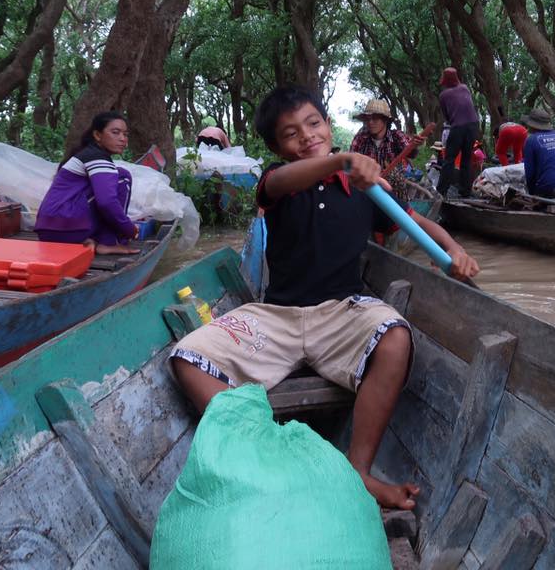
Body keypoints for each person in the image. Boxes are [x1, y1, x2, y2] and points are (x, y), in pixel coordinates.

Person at [168, 86, 480, 510]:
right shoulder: (277, 181)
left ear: (328, 124)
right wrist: (343, 160)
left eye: (314, 123)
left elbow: (416, 224)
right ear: (277, 146)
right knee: (188, 357)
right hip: (275, 315)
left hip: (342, 313)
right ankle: (265, 458)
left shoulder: (366, 192)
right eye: (291, 133)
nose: (307, 136)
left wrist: (454, 254)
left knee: (394, 336)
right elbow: (282, 180)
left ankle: (358, 471)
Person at [35, 111, 139, 255]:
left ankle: (93, 241)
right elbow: (107, 202)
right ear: (97, 135)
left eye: (125, 134)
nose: (122, 139)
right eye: (115, 132)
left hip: (48, 230)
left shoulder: (86, 154)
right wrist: (129, 229)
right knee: (122, 177)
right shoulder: (96, 157)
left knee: (114, 177)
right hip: (66, 228)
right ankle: (109, 242)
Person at [436, 68, 480, 197]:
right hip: (473, 125)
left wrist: (454, 122)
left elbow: (447, 117)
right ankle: (465, 191)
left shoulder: (443, 95)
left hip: (458, 127)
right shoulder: (465, 88)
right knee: (466, 159)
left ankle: (441, 191)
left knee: (449, 159)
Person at [350, 98, 424, 170]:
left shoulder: (396, 136)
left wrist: (414, 145)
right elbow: (351, 160)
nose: (370, 122)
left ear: (385, 120)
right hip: (367, 180)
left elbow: (411, 154)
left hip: (392, 181)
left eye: (375, 118)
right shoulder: (361, 137)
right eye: (367, 119)